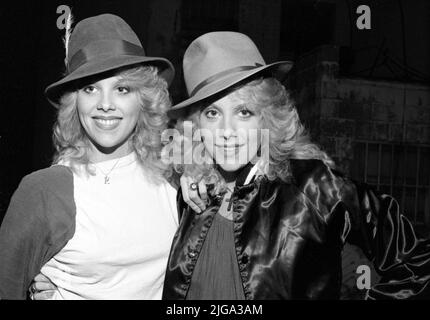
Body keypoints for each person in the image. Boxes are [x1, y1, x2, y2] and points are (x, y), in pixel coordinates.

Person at [160, 32, 430, 299]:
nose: (227, 131)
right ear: (196, 126)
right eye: (212, 113)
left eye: (244, 112)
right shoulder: (194, 193)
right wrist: (190, 172)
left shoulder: (312, 185)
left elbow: (419, 261)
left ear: (266, 117)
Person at [0, 13, 179, 300]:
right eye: (90, 88)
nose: (105, 104)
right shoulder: (44, 191)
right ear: (75, 102)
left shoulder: (174, 177)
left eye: (122, 89)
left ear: (143, 99)